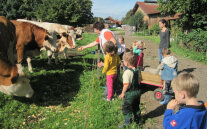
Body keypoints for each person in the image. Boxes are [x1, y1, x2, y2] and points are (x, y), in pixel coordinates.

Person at [118, 52, 141, 127]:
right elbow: (139, 80)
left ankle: (127, 122)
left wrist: (122, 93)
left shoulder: (127, 72)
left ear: (126, 63)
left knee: (126, 108)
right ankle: (137, 120)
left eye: (123, 61)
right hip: (138, 92)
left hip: (130, 93)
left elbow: (126, 85)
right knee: (136, 106)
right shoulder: (137, 70)